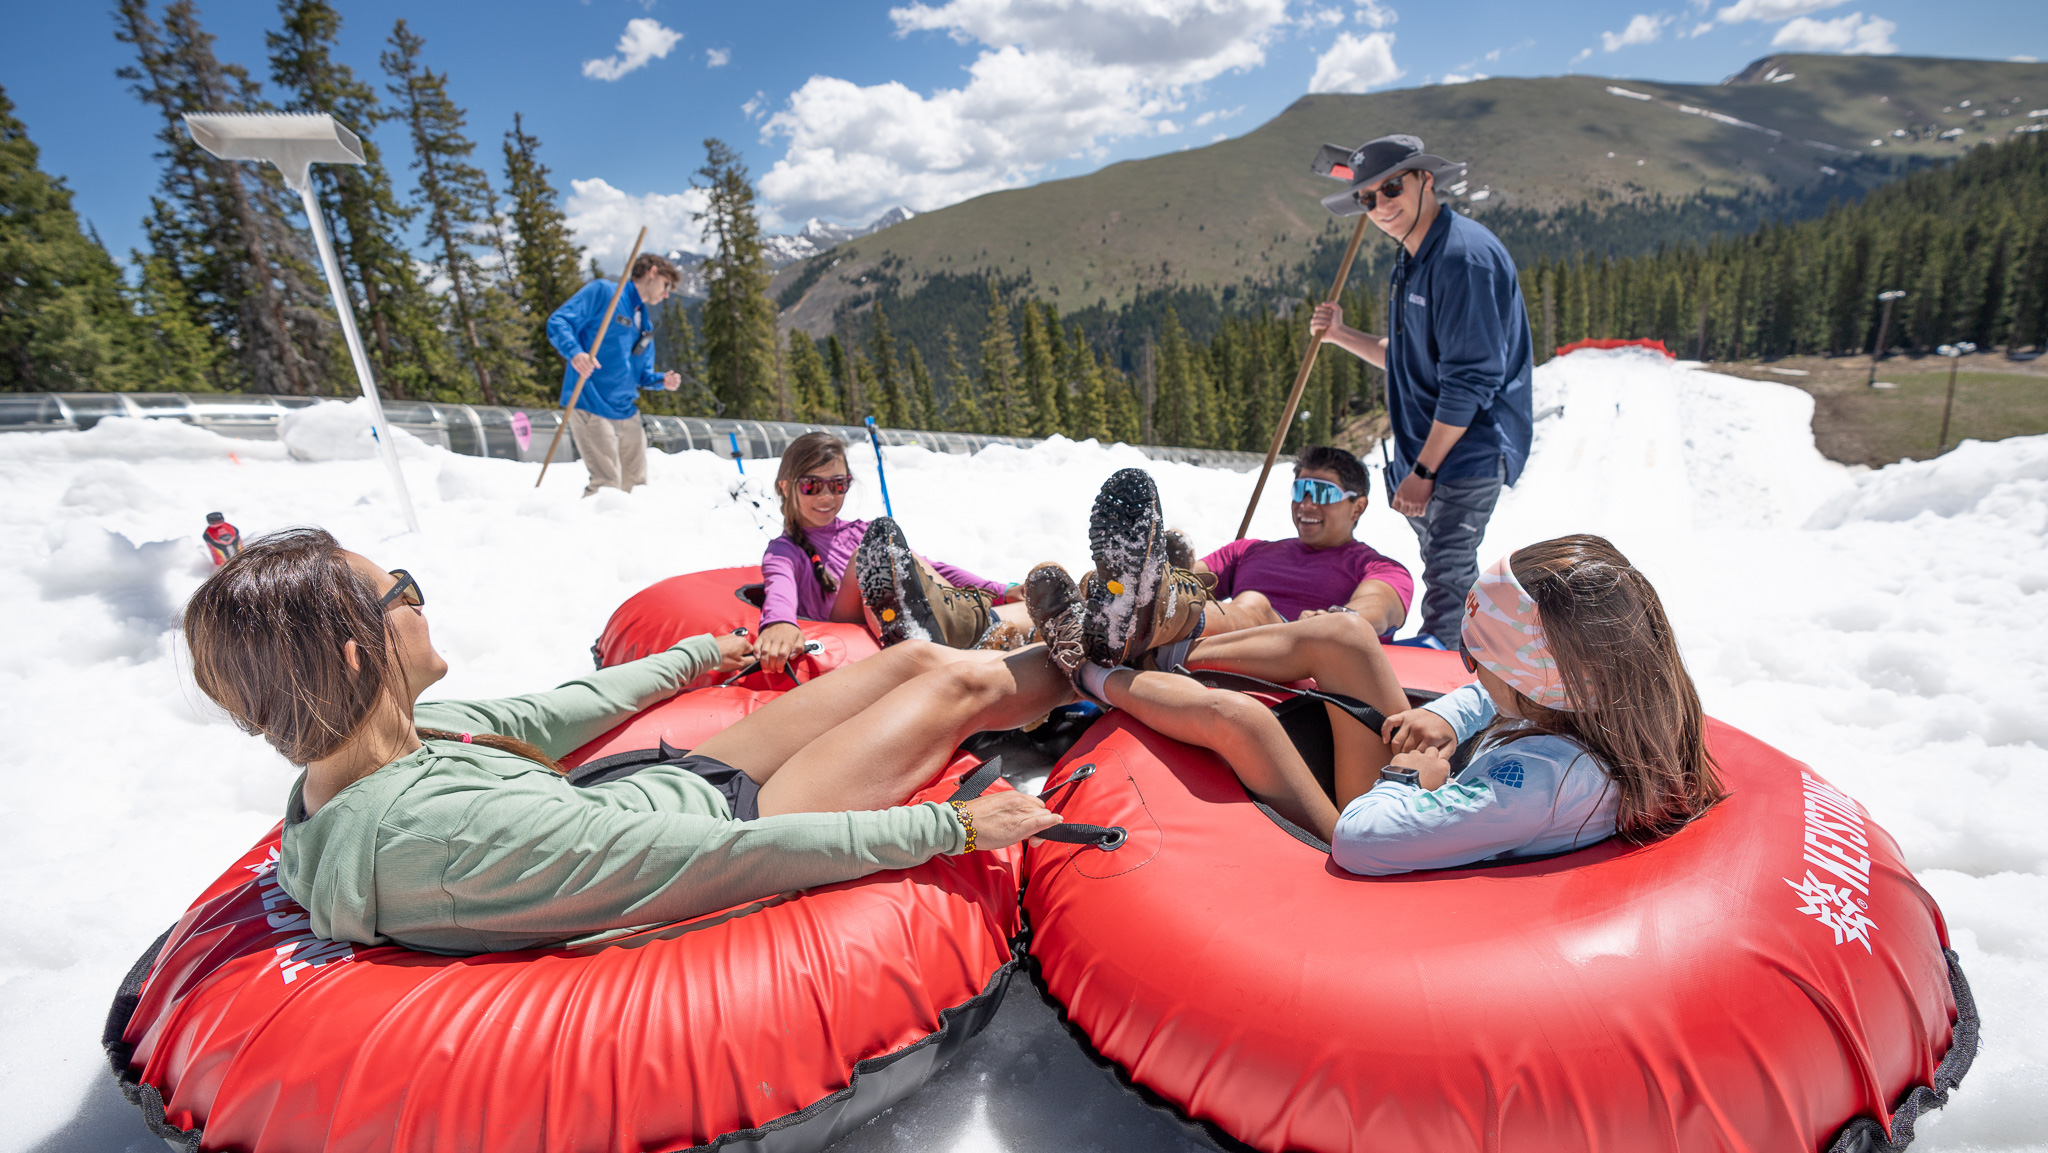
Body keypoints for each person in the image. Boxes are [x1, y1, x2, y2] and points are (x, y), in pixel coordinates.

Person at [182, 528, 1068, 956]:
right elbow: (723, 859)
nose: (421, 597)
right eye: (401, 589)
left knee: (910, 655)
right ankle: (1106, 661)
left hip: (668, 781)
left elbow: (549, 713)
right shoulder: (440, 836)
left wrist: (694, 657)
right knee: (956, 685)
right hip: (736, 817)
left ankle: (1042, 635)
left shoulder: (385, 740)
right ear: (357, 651)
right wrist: (949, 830)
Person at [1028, 473, 1721, 872]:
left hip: (1384, 841)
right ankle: (1154, 642)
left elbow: (1363, 843)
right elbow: (1492, 693)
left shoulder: (1540, 785)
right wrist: (1447, 715)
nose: (1471, 667)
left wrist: (1405, 780)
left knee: (1237, 721)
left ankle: (1085, 665)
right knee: (1344, 637)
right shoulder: (1588, 698)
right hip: (1431, 808)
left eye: (1482, 656)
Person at [1307, 134, 1535, 648]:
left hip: (1464, 453)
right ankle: (1483, 666)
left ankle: (1446, 687)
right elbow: (1407, 357)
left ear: (1425, 179)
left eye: (1391, 189)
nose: (1381, 205)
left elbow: (1471, 380)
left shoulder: (1462, 258)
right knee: (1449, 576)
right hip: (1432, 456)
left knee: (1447, 586)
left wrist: (1424, 471)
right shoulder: (1414, 255)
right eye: (1367, 198)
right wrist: (1342, 335)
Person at [755, 431, 1035, 673]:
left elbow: (929, 566)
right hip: (843, 637)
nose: (827, 496)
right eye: (812, 486)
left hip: (890, 622)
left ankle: (978, 628)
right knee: (869, 556)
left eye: (838, 485)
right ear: (786, 486)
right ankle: (963, 635)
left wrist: (1001, 590)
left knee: (895, 550)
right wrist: (778, 622)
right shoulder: (785, 550)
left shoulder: (859, 531)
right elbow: (779, 587)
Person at [1185, 445, 1412, 641]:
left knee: (1254, 604)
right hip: (1216, 656)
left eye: (1323, 494)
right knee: (1179, 588)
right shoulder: (1246, 551)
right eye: (1301, 491)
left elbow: (1378, 604)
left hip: (1301, 664)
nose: (1307, 504)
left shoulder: (1379, 569)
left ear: (1358, 507)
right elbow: (1189, 580)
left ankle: (1172, 620)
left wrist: (1337, 619)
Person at [546, 253, 685, 497]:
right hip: (591, 402)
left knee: (637, 486)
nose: (666, 295)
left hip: (627, 411)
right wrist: (576, 353)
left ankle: (628, 533)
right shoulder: (605, 293)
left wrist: (662, 380)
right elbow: (558, 322)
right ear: (652, 272)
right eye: (666, 286)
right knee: (606, 485)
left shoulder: (646, 325)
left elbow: (641, 375)